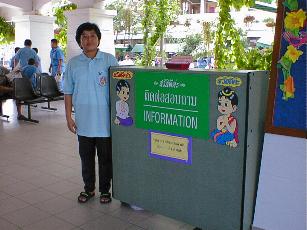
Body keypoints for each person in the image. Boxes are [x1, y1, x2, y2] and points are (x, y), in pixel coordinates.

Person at [64, 22, 118, 204]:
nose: (89, 40)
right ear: (80, 41)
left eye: (92, 36)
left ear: (99, 39)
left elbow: (120, 90)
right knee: (86, 159)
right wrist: (68, 117)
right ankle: (89, 189)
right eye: (84, 37)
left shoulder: (110, 60)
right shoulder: (73, 64)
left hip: (105, 123)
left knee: (105, 159)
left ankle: (105, 190)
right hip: (84, 122)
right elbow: (68, 92)